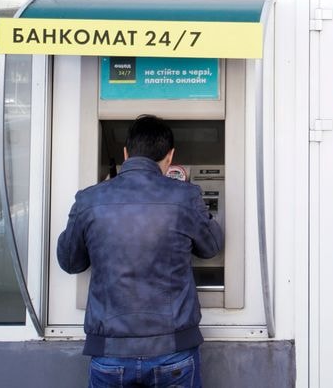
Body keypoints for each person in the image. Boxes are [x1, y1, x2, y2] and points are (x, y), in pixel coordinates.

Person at [57, 115, 224, 388]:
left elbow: (69, 261)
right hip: (173, 350)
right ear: (170, 157)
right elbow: (212, 248)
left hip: (110, 353)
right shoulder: (186, 196)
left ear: (125, 153)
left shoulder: (89, 199)